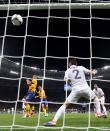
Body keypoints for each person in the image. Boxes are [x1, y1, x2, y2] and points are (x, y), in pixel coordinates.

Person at [45, 58, 103, 126]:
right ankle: (98, 113)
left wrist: (71, 84)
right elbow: (91, 73)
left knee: (65, 105)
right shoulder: (81, 67)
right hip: (85, 88)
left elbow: (65, 81)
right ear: (76, 63)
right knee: (95, 98)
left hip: (75, 90)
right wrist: (94, 72)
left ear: (70, 64)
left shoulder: (68, 71)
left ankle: (54, 121)